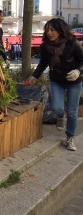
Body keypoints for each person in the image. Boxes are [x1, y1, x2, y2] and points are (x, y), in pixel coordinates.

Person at [28, 18, 83, 151]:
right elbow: (43, 63)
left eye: (52, 30)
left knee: (72, 112)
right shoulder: (45, 46)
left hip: (74, 82)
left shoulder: (73, 43)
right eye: (47, 30)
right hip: (57, 81)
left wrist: (78, 71)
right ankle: (60, 117)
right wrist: (34, 76)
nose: (49, 33)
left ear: (60, 30)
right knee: (57, 107)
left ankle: (69, 138)